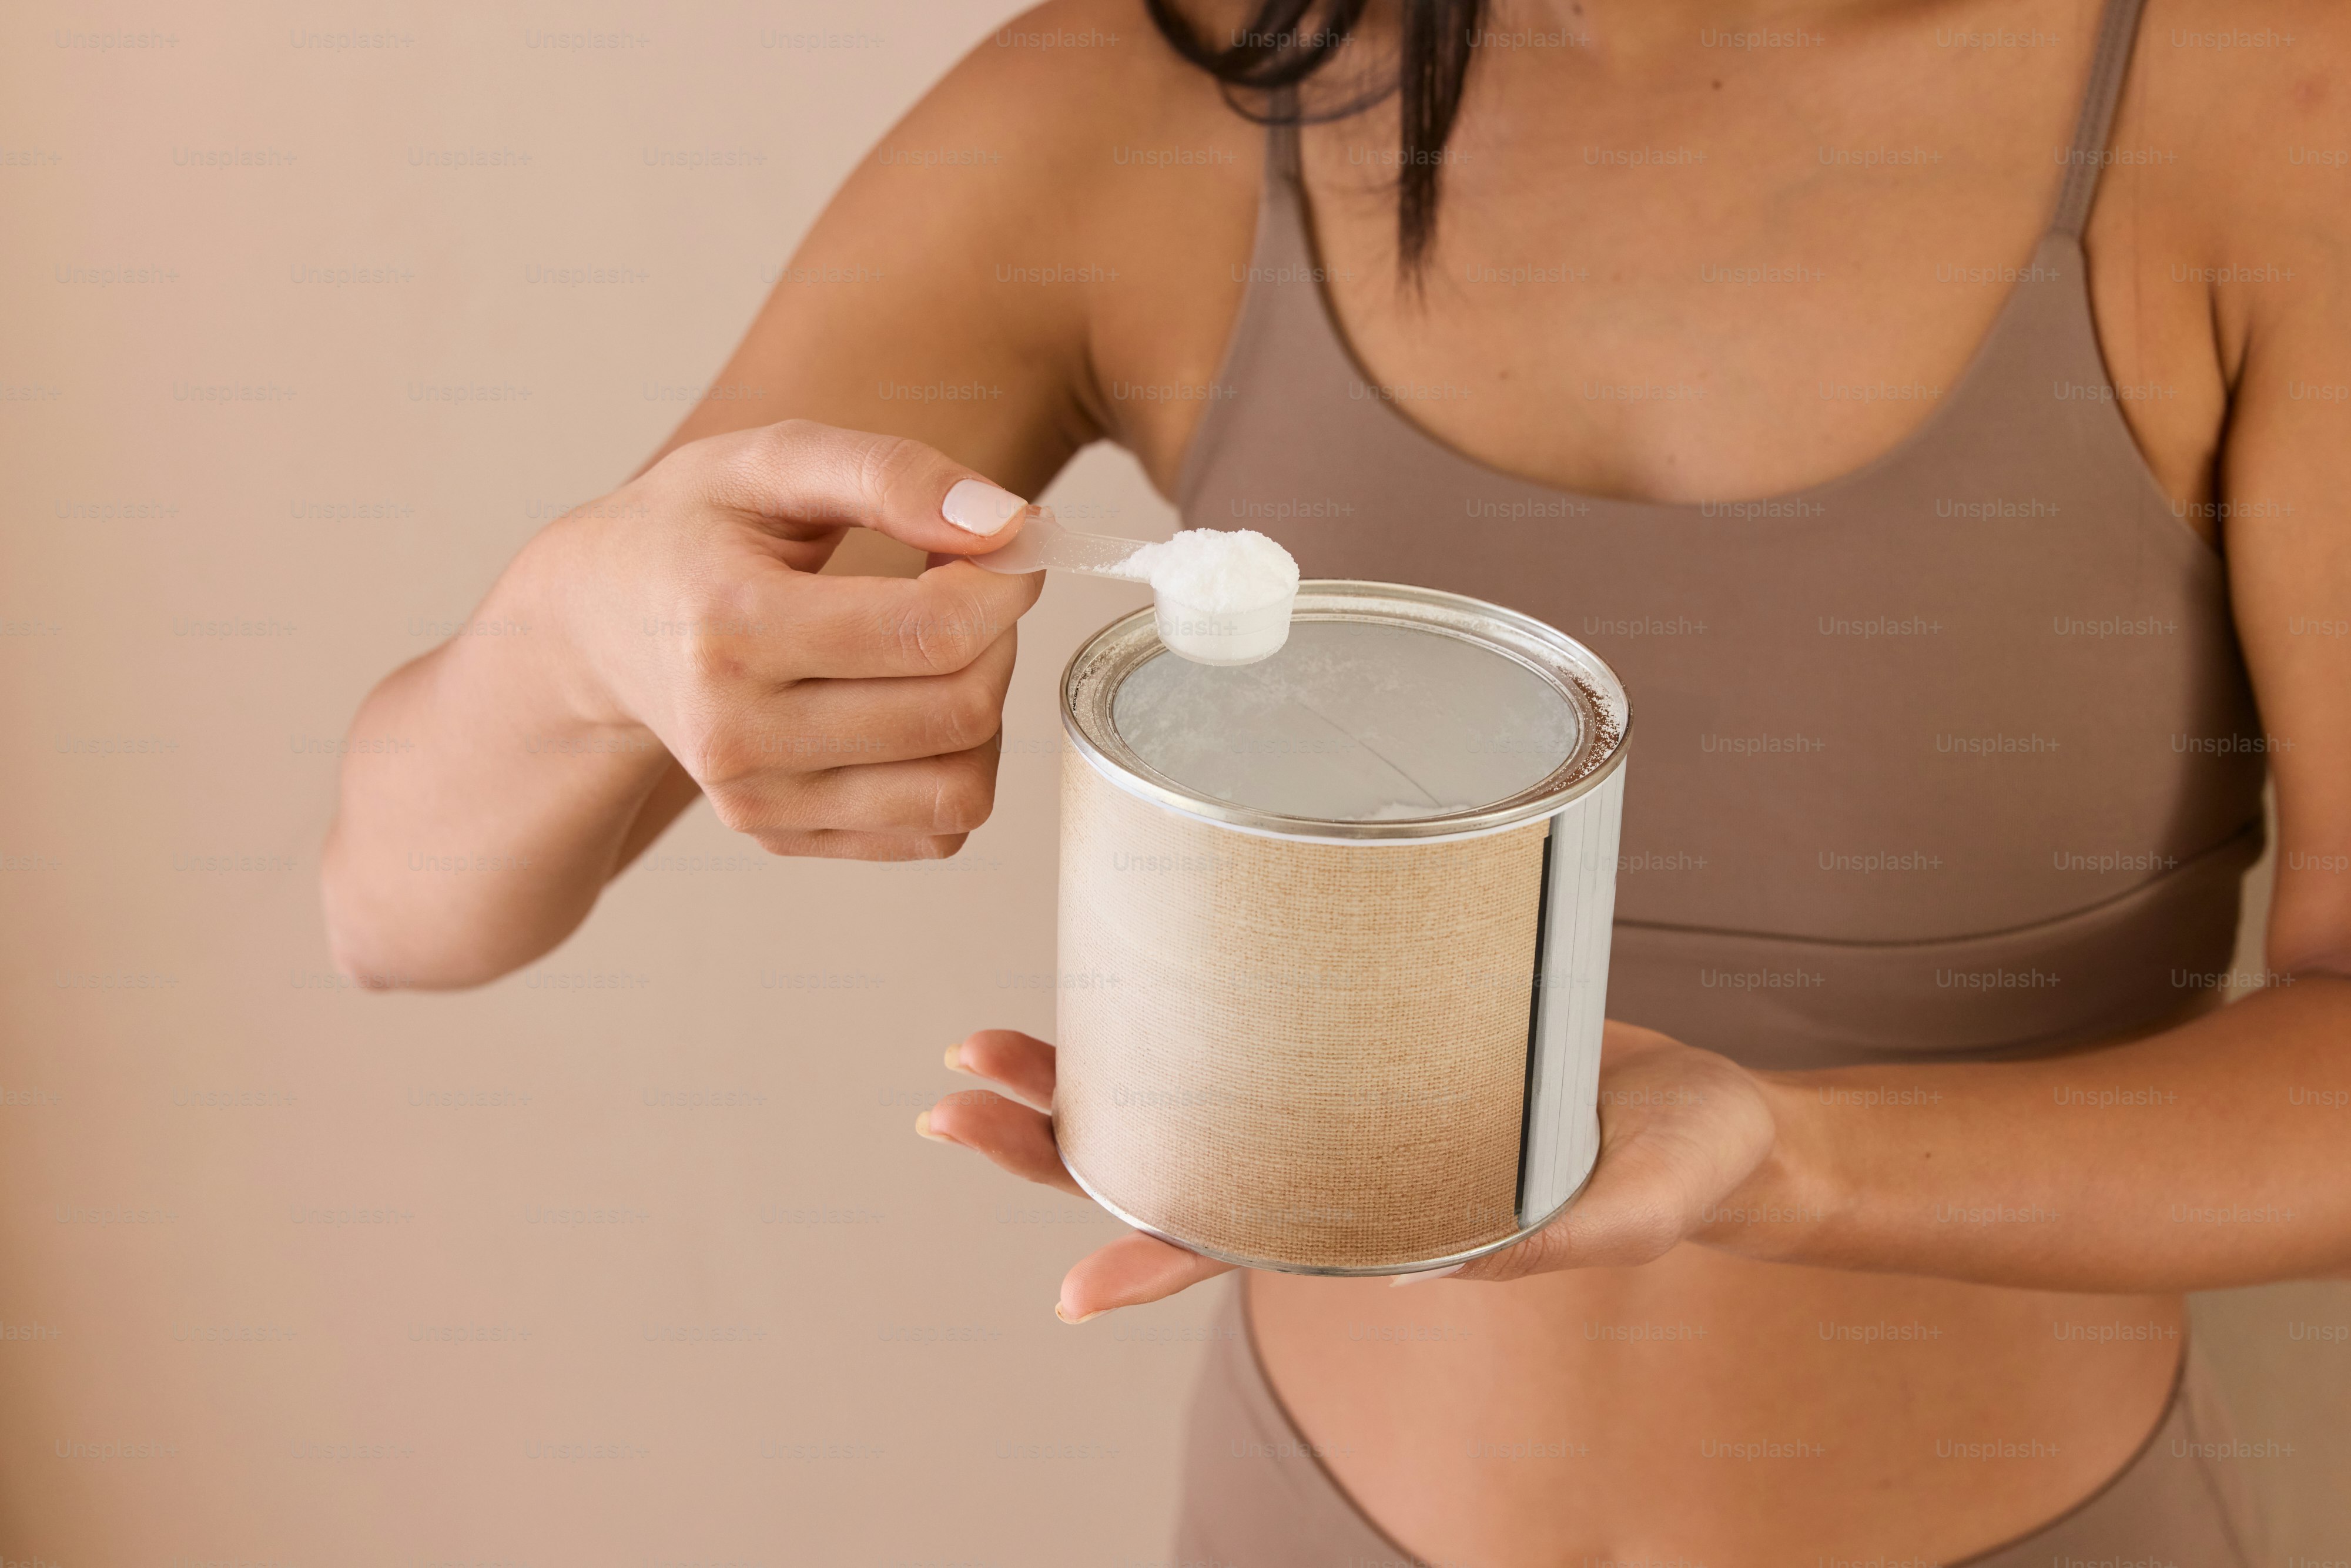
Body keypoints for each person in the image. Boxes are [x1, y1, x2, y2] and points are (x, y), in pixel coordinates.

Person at [323, 1, 2350, 1562]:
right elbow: (397, 909)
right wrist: (570, 644)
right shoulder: (1131, 115)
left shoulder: (2267, 112)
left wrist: (1785, 1160)